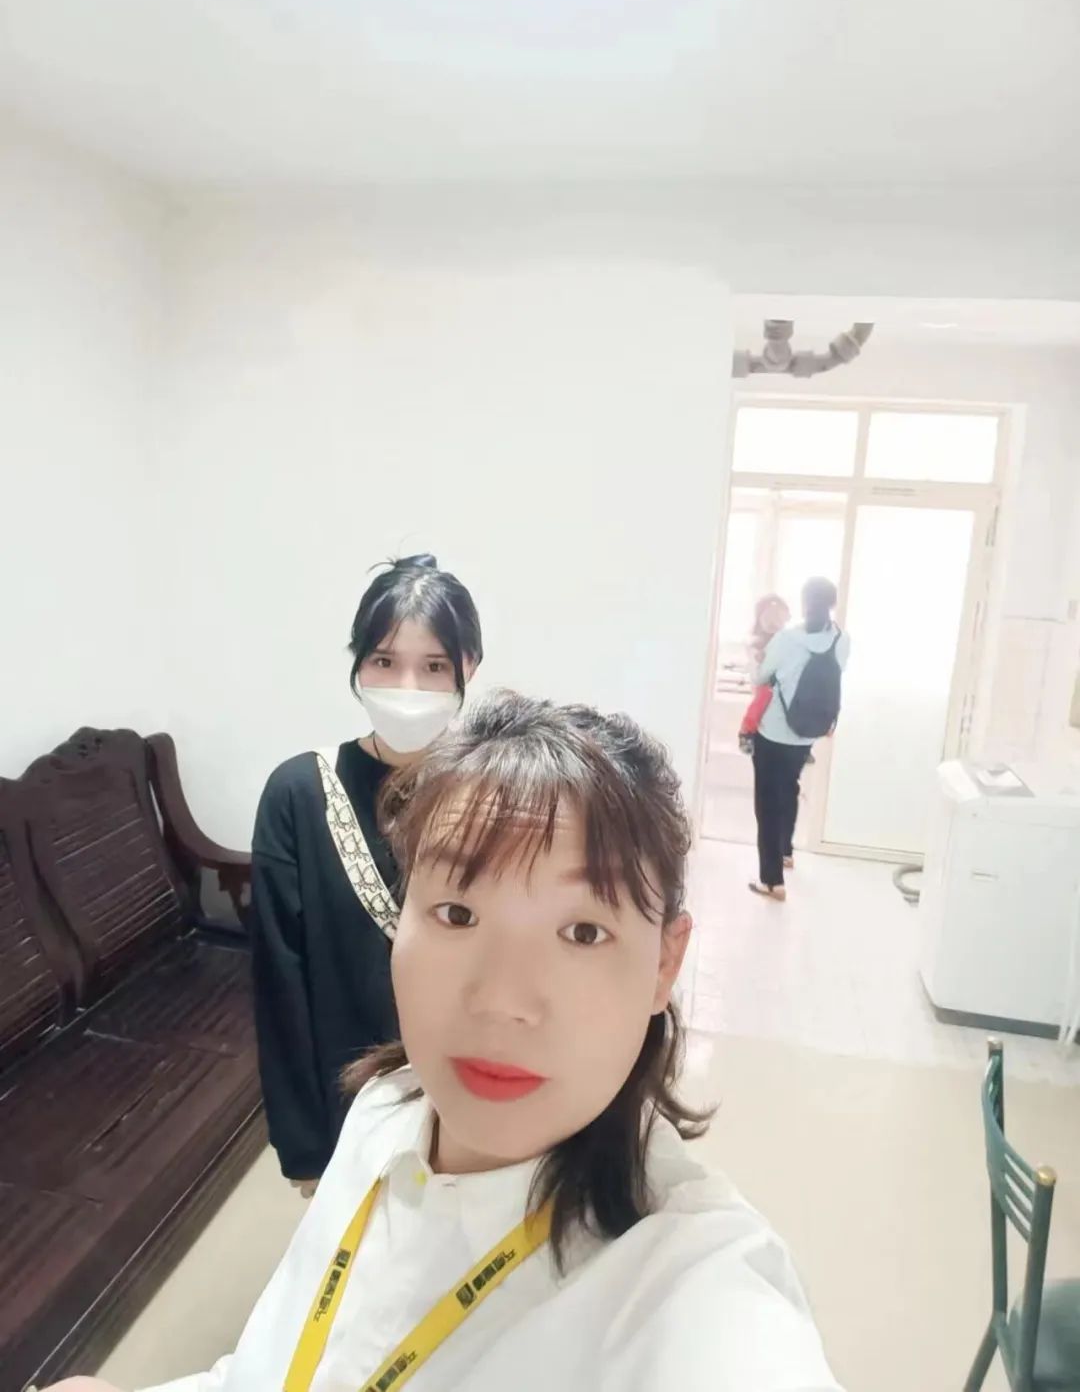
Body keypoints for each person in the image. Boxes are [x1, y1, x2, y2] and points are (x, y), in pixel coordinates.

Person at [51, 692, 842, 1392]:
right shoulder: (386, 1110)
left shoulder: (688, 1277)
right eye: (458, 914)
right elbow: (279, 1365)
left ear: (664, 962)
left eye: (582, 930)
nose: (500, 999)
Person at [251, 553, 483, 1194]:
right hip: (348, 1111)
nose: (407, 686)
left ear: (468, 667)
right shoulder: (301, 792)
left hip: (469, 1106)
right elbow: (280, 984)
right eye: (384, 661)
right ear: (357, 664)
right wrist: (304, 1150)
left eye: (433, 666)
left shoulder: (493, 794)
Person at [749, 576, 850, 901]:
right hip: (807, 732)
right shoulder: (841, 640)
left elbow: (761, 677)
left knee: (767, 802)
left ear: (804, 603)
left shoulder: (786, 639)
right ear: (832, 604)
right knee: (789, 787)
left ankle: (772, 881)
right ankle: (786, 852)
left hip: (773, 731)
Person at [738, 593, 790, 753]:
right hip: (765, 684)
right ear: (759, 619)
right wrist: (760, 656)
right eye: (768, 618)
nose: (773, 623)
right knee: (764, 696)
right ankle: (746, 731)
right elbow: (758, 672)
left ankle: (802, 742)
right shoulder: (756, 641)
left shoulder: (787, 640)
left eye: (777, 618)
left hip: (782, 682)